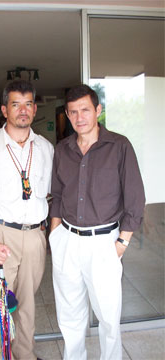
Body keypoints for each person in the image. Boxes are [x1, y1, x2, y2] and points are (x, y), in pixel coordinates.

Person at [49, 84, 145, 360]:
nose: (80, 117)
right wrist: (55, 235)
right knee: (69, 315)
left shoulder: (119, 146)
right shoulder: (63, 149)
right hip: (67, 239)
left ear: (98, 111)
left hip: (104, 243)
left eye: (86, 110)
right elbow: (56, 194)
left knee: (108, 317)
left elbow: (135, 198)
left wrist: (121, 243)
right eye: (73, 112)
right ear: (67, 115)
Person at [0, 80, 54, 360]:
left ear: (35, 108)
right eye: (16, 104)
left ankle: (25, 355)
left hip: (35, 237)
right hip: (1, 235)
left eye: (28, 104)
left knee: (27, 305)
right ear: (5, 110)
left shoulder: (45, 148)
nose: (23, 110)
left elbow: (51, 194)